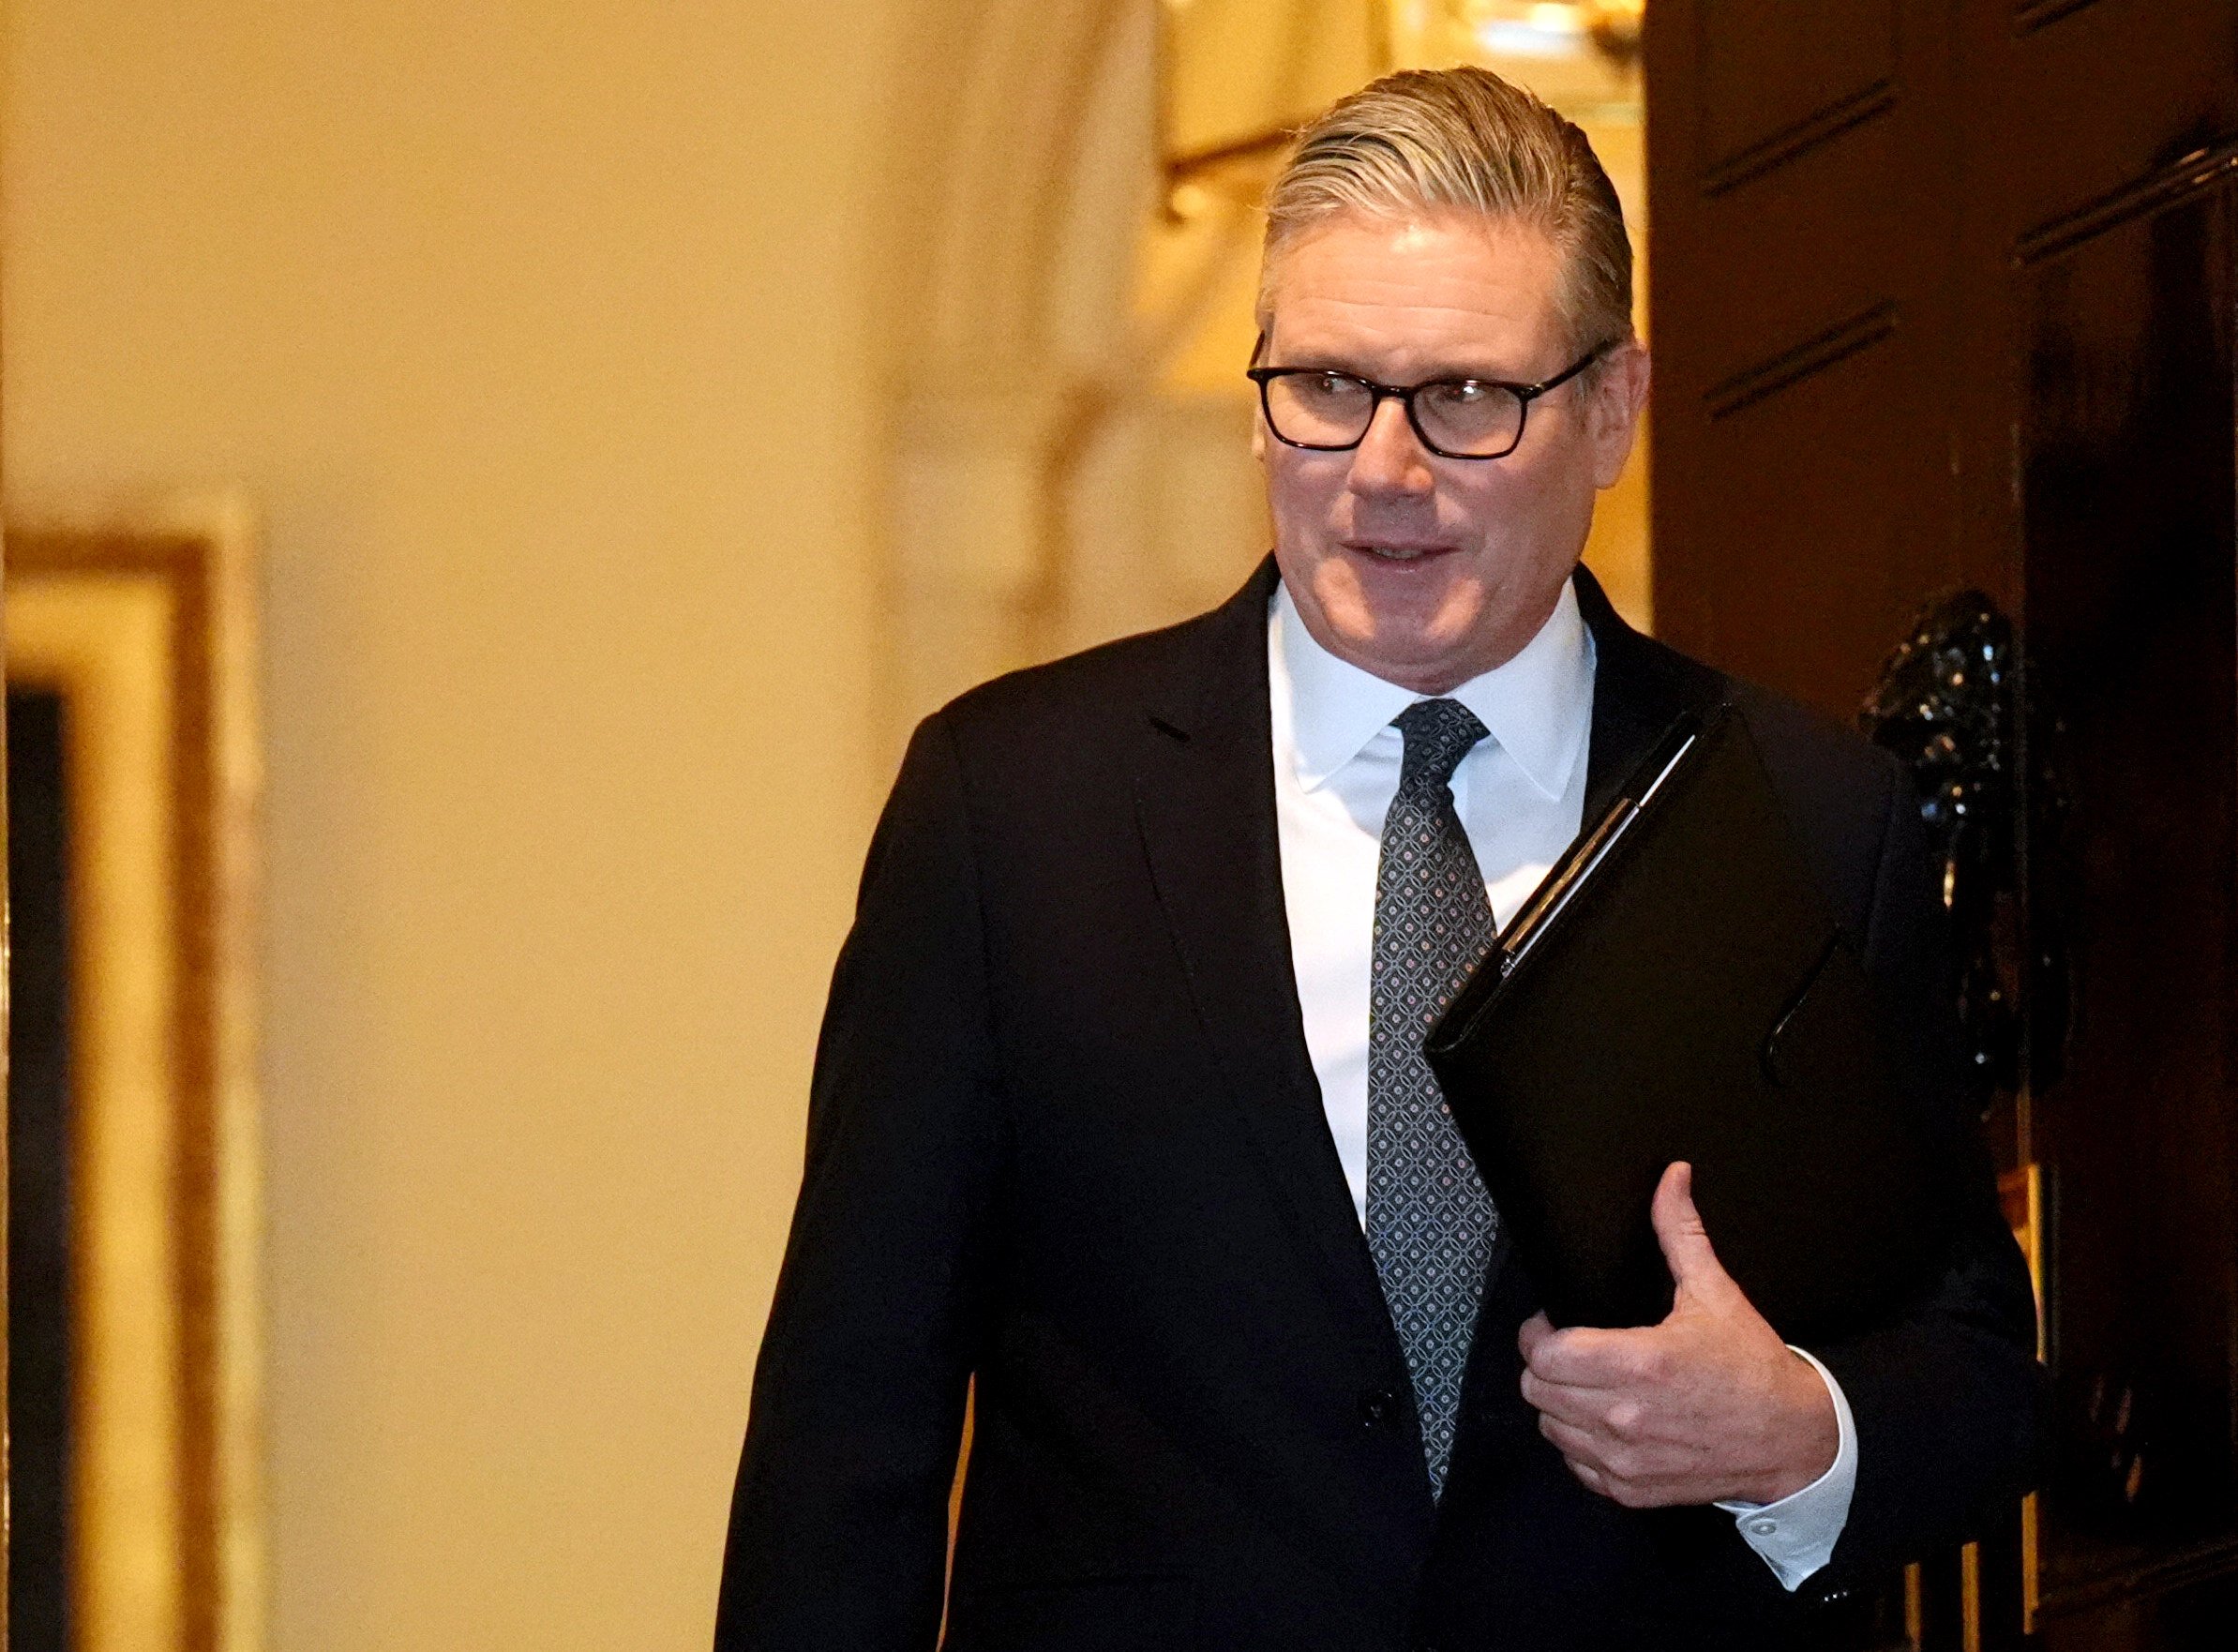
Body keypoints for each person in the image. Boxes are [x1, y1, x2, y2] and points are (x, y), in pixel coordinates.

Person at [713, 67, 2042, 1651]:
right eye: (1327, 387)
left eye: (1468, 401)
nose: (1383, 472)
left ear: (1611, 410)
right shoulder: (1010, 813)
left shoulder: (1814, 817)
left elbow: (1974, 1365)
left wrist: (1799, 1433)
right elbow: (846, 1441)